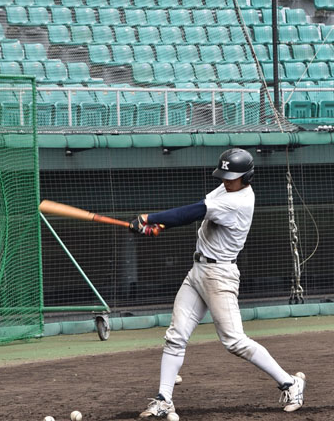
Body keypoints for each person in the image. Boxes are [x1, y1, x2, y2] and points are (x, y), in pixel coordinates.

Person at [129, 148, 305, 418]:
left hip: (220, 275)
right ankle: (164, 399)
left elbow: (193, 211)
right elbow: (199, 212)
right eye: (223, 174)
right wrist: (161, 227)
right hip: (198, 270)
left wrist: (150, 219)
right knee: (175, 336)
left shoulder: (240, 201)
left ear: (247, 177)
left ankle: (291, 383)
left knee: (234, 341)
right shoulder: (225, 189)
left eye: (231, 176)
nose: (225, 180)